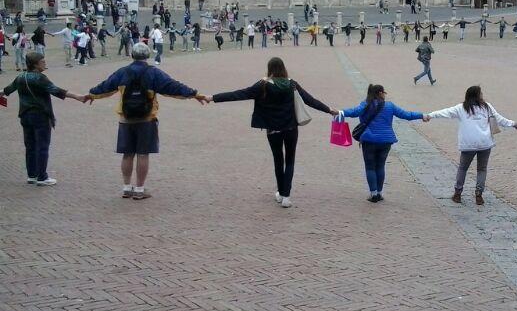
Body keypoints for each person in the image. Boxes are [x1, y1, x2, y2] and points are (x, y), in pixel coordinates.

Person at [209, 57, 336, 207]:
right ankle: (286, 197)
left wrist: (213, 98)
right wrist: (329, 110)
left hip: (273, 130)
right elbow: (310, 100)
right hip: (290, 128)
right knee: (290, 160)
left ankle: (281, 193)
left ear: (269, 69)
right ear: (283, 68)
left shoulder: (262, 85)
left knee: (278, 160)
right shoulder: (292, 84)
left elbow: (239, 94)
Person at [88, 43, 204, 200]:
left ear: (132, 55)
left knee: (127, 154)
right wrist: (194, 94)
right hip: (146, 119)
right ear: (147, 56)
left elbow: (105, 87)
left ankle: (127, 187)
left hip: (126, 119)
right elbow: (172, 87)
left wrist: (91, 95)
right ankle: (140, 189)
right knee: (143, 154)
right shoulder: (153, 73)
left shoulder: (123, 72)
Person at [0, 52, 89, 186]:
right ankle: (42, 177)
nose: (45, 63)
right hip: (40, 116)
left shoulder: (20, 77)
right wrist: (78, 96)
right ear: (35, 64)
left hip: (24, 115)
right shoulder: (40, 78)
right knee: (42, 146)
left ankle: (32, 175)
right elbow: (57, 91)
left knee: (30, 146)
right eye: (42, 61)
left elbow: (6, 90)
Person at [427, 86, 516, 205]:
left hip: (468, 144)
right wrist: (513, 123)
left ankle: (458, 193)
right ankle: (479, 195)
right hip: (485, 143)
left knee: (463, 168)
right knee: (482, 169)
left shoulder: (462, 108)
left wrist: (430, 115)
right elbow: (499, 119)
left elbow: (445, 112)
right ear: (478, 95)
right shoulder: (487, 107)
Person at [340, 84, 425, 202]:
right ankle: (379, 193)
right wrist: (422, 115)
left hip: (369, 140)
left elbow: (353, 112)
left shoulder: (365, 104)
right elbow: (406, 115)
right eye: (384, 92)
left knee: (370, 167)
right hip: (386, 141)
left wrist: (339, 112)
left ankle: (373, 194)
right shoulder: (390, 106)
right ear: (380, 93)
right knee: (380, 166)